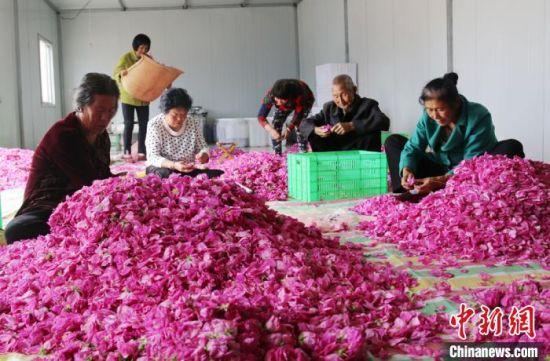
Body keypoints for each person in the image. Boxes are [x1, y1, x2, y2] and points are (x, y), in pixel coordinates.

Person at [5, 73, 119, 244]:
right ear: (81, 106)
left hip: (84, 203)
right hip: (49, 205)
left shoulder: (102, 136)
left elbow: (102, 177)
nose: (106, 118)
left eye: (111, 111)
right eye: (100, 110)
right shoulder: (63, 135)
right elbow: (89, 183)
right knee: (18, 229)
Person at [385, 72, 525, 194]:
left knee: (511, 146)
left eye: (440, 109)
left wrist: (442, 180)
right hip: (440, 167)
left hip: (473, 172)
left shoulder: (478, 115)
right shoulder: (428, 116)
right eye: (429, 109)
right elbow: (413, 147)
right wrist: (407, 170)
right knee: (393, 142)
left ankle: (453, 192)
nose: (434, 115)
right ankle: (407, 192)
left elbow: (471, 162)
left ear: (456, 104)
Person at [145, 88, 223, 179]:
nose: (179, 119)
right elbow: (153, 157)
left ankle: (184, 179)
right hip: (164, 167)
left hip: (187, 169)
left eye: (183, 115)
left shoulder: (193, 122)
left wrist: (203, 155)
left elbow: (202, 147)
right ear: (165, 112)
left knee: (218, 173)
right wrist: (174, 165)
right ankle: (181, 179)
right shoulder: (155, 125)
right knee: (164, 174)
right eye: (175, 115)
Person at [299, 74, 390, 152]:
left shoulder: (367, 104)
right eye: (336, 96)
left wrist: (352, 126)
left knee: (371, 134)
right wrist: (316, 129)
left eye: (344, 95)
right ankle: (326, 167)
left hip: (360, 152)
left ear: (354, 90)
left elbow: (384, 121)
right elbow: (304, 124)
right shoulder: (329, 107)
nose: (341, 101)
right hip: (337, 151)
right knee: (314, 135)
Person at [113, 33, 152, 162]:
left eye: (146, 48)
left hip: (143, 98)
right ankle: (126, 152)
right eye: (141, 48)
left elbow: (154, 74)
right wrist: (121, 73)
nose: (143, 51)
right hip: (128, 96)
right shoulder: (126, 57)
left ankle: (142, 152)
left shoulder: (148, 59)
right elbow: (115, 74)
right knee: (128, 124)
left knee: (144, 125)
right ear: (135, 47)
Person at [258, 79, 315, 155]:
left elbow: (298, 116)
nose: (278, 103)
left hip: (306, 100)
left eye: (281, 100)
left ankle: (303, 152)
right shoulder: (272, 95)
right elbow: (261, 116)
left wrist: (289, 129)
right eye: (276, 99)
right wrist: (271, 130)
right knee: (276, 123)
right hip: (288, 101)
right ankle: (277, 155)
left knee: (300, 125)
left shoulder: (300, 95)